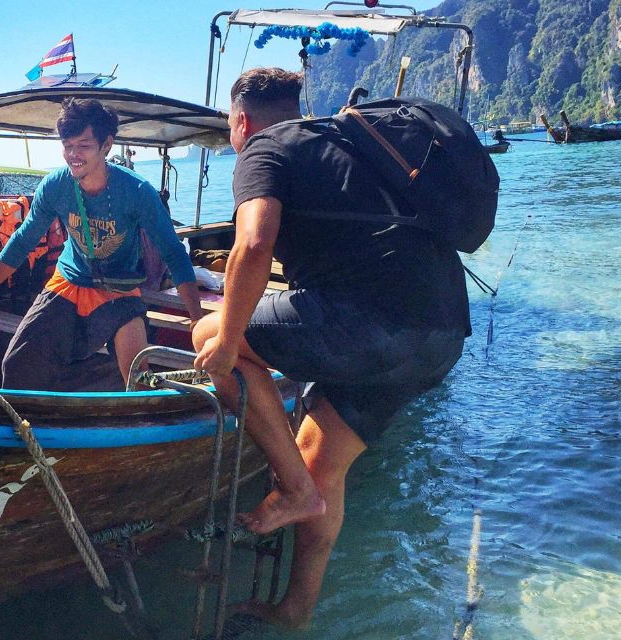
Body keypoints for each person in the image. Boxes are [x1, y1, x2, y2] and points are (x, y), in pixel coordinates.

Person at [191, 67, 471, 628]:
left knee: (209, 333)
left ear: (241, 121)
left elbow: (253, 239)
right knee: (322, 467)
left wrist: (226, 346)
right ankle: (294, 612)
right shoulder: (344, 142)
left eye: (230, 125)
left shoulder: (265, 147)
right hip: (440, 333)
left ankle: (291, 489)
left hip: (365, 324)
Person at [0, 98, 203, 390]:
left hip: (119, 289)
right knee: (18, 365)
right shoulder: (56, 185)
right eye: (67, 146)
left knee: (139, 376)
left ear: (106, 145)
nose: (73, 155)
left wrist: (196, 320)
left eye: (83, 145)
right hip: (69, 281)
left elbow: (173, 253)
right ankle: (32, 427)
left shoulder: (137, 191)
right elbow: (22, 241)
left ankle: (124, 421)